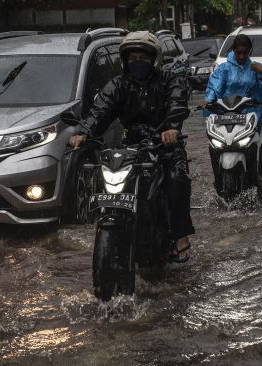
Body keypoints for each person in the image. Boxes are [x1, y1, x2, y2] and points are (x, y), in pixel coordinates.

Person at [69, 31, 195, 263]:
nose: (138, 62)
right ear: (125, 60)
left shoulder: (168, 80)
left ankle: (180, 235)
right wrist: (84, 132)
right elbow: (100, 110)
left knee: (177, 179)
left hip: (164, 143)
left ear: (154, 59)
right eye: (132, 58)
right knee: (110, 179)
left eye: (143, 58)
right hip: (131, 144)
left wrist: (171, 127)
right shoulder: (118, 84)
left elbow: (177, 103)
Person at [202, 34, 262, 129]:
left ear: (249, 51)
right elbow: (214, 86)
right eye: (238, 53)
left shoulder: (256, 68)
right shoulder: (224, 69)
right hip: (226, 116)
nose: (241, 56)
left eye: (245, 53)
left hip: (252, 116)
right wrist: (208, 100)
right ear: (233, 50)